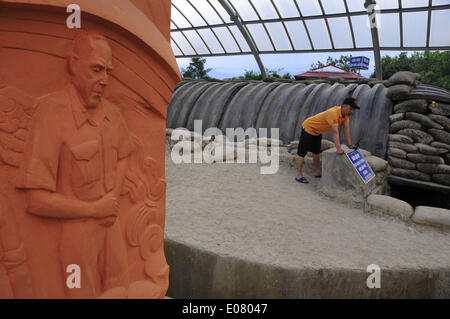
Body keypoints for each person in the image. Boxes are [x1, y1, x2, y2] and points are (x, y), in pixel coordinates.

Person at [18, 32, 134, 298]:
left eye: (108, 72)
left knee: (120, 290)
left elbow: (125, 154)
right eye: (96, 70)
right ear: (73, 65)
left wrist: (113, 197)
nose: (104, 80)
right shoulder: (51, 113)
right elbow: (35, 200)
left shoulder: (112, 114)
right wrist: (94, 209)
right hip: (77, 234)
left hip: (110, 224)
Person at [295, 98, 359, 184]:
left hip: (318, 131)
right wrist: (338, 148)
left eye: (354, 110)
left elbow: (346, 129)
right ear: (344, 106)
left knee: (316, 151)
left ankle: (318, 172)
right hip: (309, 127)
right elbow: (335, 132)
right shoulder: (333, 113)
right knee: (302, 152)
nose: (352, 111)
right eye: (351, 109)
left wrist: (350, 145)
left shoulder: (345, 116)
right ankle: (299, 175)